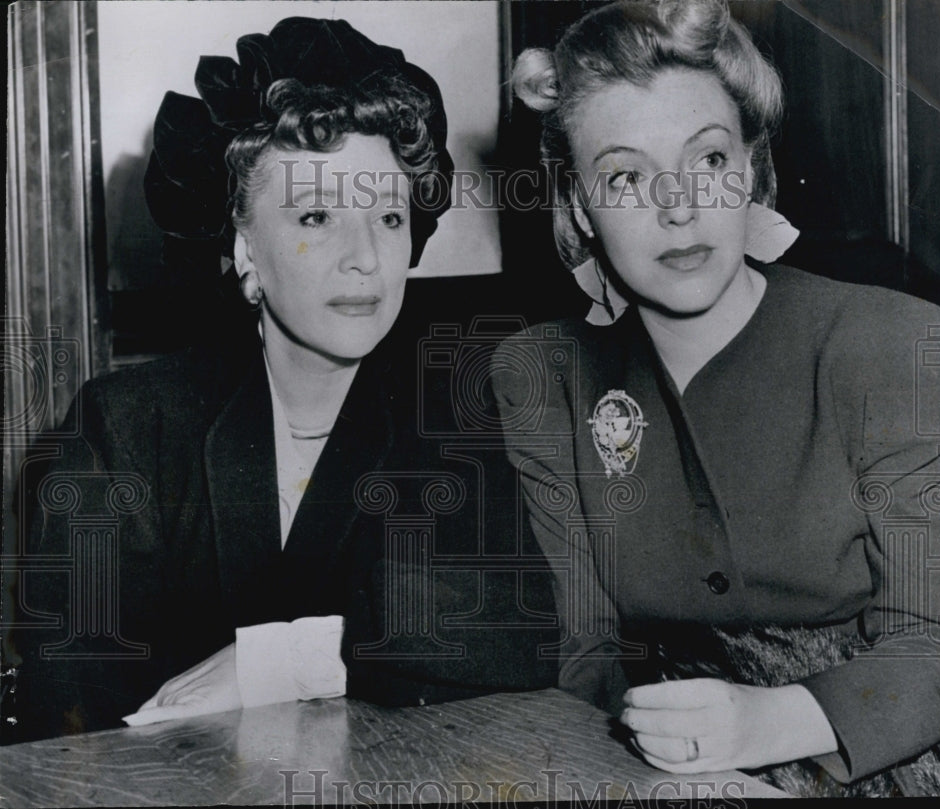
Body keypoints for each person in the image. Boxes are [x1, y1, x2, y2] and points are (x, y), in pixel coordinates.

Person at [491, 0, 940, 796]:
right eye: (625, 176)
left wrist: (762, 726)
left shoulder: (892, 345)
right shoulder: (542, 374)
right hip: (664, 765)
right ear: (580, 206)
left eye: (709, 159)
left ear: (752, 171)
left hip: (894, 760)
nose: (679, 206)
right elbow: (586, 651)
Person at [11, 17, 555, 743]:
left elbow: (521, 629)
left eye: (389, 217)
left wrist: (292, 659)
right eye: (318, 215)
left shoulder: (458, 411)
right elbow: (68, 701)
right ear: (244, 248)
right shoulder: (128, 428)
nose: (366, 257)